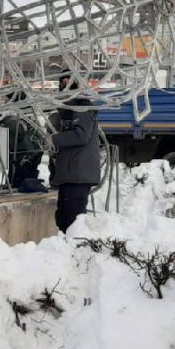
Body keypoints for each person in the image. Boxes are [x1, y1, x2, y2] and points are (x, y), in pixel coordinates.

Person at [50, 76, 100, 233]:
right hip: (70, 174)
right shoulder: (70, 112)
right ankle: (66, 251)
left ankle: (74, 252)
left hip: (78, 175)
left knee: (72, 220)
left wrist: (54, 139)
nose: (64, 85)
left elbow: (80, 135)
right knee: (63, 218)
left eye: (68, 81)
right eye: (62, 81)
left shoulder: (82, 109)